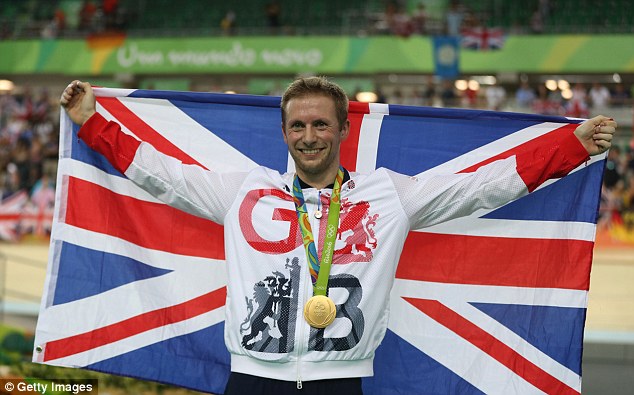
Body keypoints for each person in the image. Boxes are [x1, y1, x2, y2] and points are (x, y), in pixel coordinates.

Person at [60, 77, 616, 395]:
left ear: (344, 129)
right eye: (298, 126)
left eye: (321, 124)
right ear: (283, 133)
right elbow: (161, 173)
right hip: (252, 382)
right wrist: (91, 121)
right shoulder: (243, 192)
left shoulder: (389, 196)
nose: (309, 137)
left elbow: (482, 187)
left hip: (340, 386)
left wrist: (572, 147)